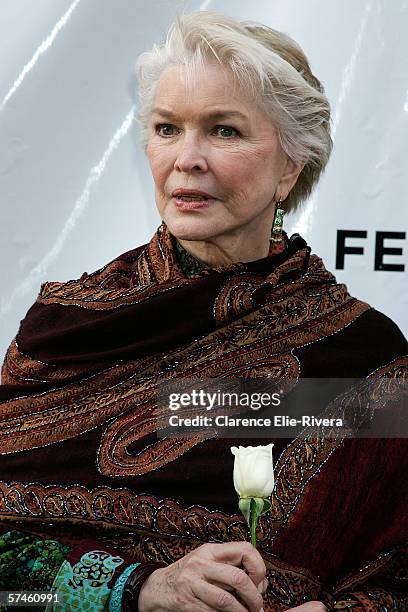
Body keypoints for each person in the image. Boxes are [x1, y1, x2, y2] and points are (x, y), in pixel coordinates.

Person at [0, 10, 406, 611]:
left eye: (224, 131)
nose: (187, 158)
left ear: (290, 165)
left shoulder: (363, 358)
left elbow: (395, 574)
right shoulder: (68, 327)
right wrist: (136, 589)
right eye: (167, 129)